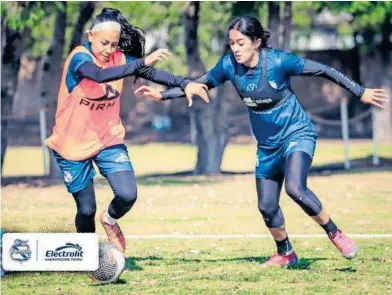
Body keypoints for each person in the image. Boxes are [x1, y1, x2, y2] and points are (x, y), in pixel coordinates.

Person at [135, 15, 388, 266]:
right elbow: (198, 84)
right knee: (267, 206)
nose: (235, 48)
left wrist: (360, 91)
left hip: (297, 133)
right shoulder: (228, 66)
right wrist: (163, 95)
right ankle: (285, 253)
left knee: (295, 188)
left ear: (256, 42)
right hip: (267, 146)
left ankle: (335, 232)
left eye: (241, 43)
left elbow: (324, 70)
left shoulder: (278, 61)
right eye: (232, 43)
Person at [45, 8, 209, 254]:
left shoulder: (119, 58)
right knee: (86, 209)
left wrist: (187, 84)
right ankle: (87, 257)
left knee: (127, 194)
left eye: (113, 44)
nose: (108, 50)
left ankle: (109, 220)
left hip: (107, 138)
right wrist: (142, 62)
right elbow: (99, 76)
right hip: (71, 144)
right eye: (103, 43)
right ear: (90, 36)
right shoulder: (80, 58)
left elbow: (154, 73)